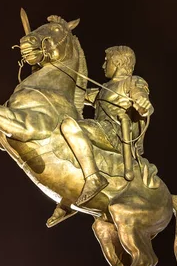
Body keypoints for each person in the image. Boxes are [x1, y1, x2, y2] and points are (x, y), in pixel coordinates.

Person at [47, 46, 154, 227]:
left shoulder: (132, 81)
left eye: (107, 61)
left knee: (69, 126)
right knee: (69, 138)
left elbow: (142, 98)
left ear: (118, 62)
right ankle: (71, 196)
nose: (104, 64)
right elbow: (74, 93)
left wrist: (142, 103)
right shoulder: (103, 88)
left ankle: (93, 179)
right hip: (102, 131)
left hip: (116, 135)